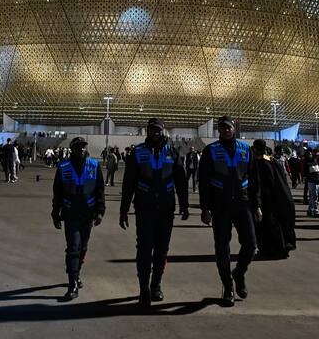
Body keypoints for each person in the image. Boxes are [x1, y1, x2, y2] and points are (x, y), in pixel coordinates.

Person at [120, 118, 189, 306]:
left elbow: (181, 181)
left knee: (161, 250)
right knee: (143, 250)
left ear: (163, 131)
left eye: (158, 130)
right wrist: (123, 210)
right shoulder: (138, 152)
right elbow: (129, 183)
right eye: (152, 130)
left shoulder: (173, 153)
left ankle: (156, 285)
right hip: (144, 209)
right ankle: (144, 289)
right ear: (147, 131)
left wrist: (185, 205)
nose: (155, 133)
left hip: (166, 209)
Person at [198, 116, 259, 307]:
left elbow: (254, 179)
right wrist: (205, 208)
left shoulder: (245, 149)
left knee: (251, 244)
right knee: (222, 248)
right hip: (220, 205)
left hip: (242, 203)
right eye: (222, 128)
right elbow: (204, 182)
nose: (225, 131)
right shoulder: (211, 150)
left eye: (228, 128)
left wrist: (256, 205)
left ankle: (239, 273)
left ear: (234, 129)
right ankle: (228, 286)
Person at [52, 137, 105, 300]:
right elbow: (58, 192)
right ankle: (72, 284)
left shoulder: (94, 165)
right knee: (73, 247)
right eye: (78, 147)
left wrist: (100, 211)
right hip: (70, 212)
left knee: (83, 247)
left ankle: (77, 274)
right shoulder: (63, 167)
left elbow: (100, 190)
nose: (81, 149)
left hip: (88, 213)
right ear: (72, 149)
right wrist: (55, 213)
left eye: (83, 147)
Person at [251, 139, 296, 260]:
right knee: (279, 224)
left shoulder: (258, 162)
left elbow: (258, 184)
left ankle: (270, 249)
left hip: (267, 199)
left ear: (255, 149)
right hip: (280, 196)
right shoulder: (273, 160)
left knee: (266, 226)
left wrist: (257, 202)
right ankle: (282, 247)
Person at [302, 150, 319, 217]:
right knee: (314, 196)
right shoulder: (307, 163)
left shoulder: (316, 161)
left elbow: (318, 172)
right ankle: (315, 211)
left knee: (312, 197)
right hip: (311, 181)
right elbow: (305, 173)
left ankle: (310, 210)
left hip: (316, 181)